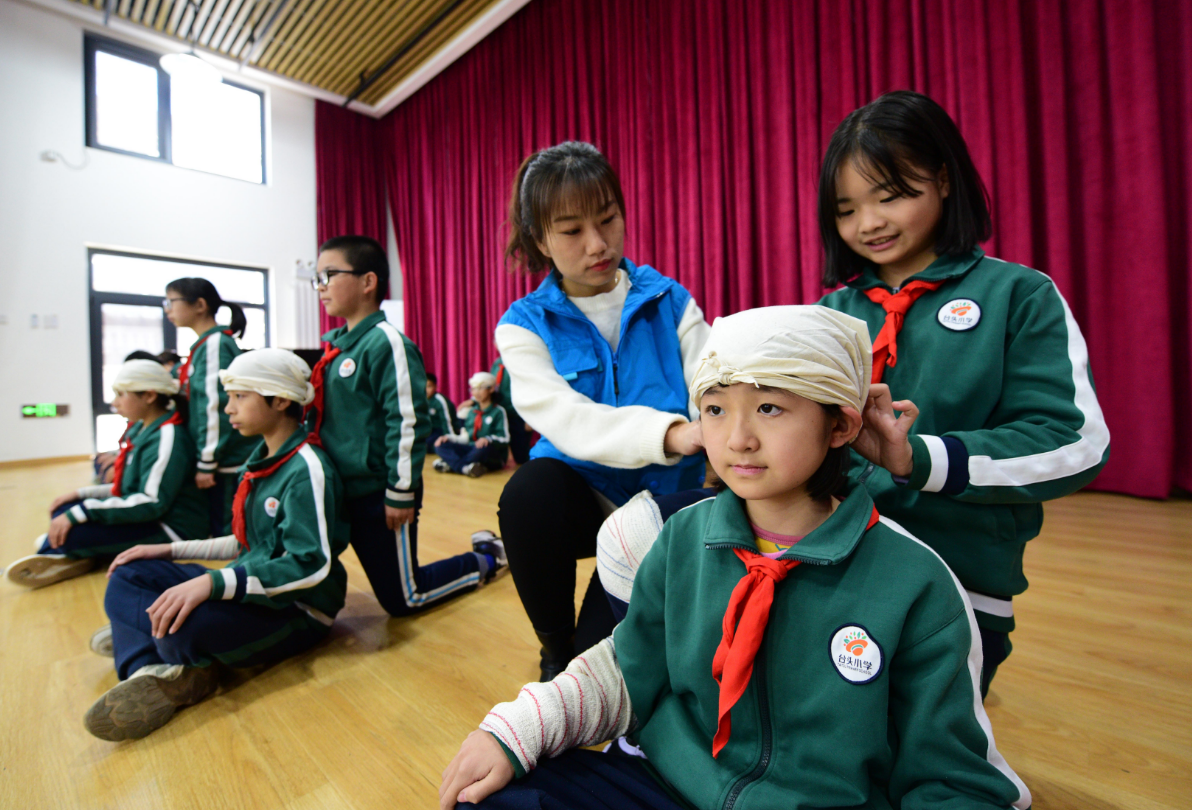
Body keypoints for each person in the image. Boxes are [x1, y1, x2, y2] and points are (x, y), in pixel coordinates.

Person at [440, 306, 1031, 810]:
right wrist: (519, 729)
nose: (738, 438)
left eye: (769, 408)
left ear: (840, 425)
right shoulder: (681, 538)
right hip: (668, 783)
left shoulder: (914, 581)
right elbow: (629, 670)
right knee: (492, 796)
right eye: (716, 409)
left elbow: (953, 780)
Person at [816, 90, 1110, 694]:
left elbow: (1074, 442)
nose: (869, 223)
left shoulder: (1019, 295)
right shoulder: (827, 314)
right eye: (847, 209)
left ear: (944, 180)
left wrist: (918, 458)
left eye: (890, 195)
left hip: (957, 580)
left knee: (913, 734)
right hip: (825, 564)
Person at [495, 141, 710, 681]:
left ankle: (587, 649)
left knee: (601, 670)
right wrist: (673, 433)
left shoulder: (671, 301)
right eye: (571, 231)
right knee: (526, 495)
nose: (597, 244)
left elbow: (712, 381)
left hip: (665, 497)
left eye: (608, 219)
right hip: (583, 494)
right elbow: (568, 419)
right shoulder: (522, 326)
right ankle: (554, 645)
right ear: (539, 239)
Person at [83, 348, 349, 741]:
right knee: (127, 571)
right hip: (251, 589)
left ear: (280, 401)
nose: (228, 409)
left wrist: (212, 582)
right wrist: (169, 551)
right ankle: (150, 666)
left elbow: (309, 565)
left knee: (177, 631)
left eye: (240, 396)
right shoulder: (262, 457)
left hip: (297, 608)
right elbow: (246, 542)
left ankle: (140, 635)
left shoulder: (307, 468)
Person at [309, 235, 504, 616]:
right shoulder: (338, 347)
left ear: (368, 281)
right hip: (339, 488)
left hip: (377, 491)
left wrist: (400, 491)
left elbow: (407, 421)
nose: (321, 286)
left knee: (404, 598)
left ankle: (488, 556)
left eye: (329, 275)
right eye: (317, 278)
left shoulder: (386, 343)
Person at [5, 360, 207, 589]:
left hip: (170, 528)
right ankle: (71, 555)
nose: (114, 403)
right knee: (63, 510)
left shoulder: (168, 436)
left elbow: (151, 502)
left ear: (150, 396)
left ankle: (66, 553)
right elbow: (127, 488)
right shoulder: (141, 428)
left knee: (70, 533)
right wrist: (80, 495)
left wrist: (82, 512)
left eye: (121, 395)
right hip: (146, 515)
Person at [164, 277, 259, 536]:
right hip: (220, 457)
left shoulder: (215, 344)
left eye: (171, 302)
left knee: (227, 532)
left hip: (225, 460)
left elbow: (215, 407)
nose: (167, 310)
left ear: (200, 305)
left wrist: (207, 460)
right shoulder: (206, 344)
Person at [433, 371, 511, 477]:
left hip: (490, 453)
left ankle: (452, 465)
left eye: (481, 388)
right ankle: (465, 468)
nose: (476, 392)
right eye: (474, 389)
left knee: (483, 448)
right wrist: (448, 438)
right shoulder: (471, 411)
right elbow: (466, 438)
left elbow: (505, 439)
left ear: (491, 389)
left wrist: (488, 439)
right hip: (472, 449)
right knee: (440, 445)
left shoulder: (498, 411)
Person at [489, 356, 532, 464]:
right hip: (501, 414)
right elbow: (490, 386)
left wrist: (529, 417)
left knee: (521, 455)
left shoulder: (520, 361)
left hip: (519, 414)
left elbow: (529, 387)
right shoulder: (497, 363)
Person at [426, 372, 460, 452]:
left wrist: (451, 438)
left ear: (436, 387)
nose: (425, 389)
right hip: (429, 431)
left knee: (435, 445)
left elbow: (447, 422)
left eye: (429, 386)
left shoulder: (440, 400)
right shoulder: (419, 400)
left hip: (442, 430)